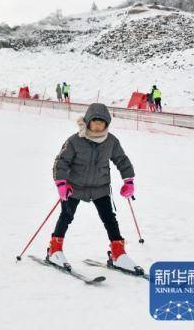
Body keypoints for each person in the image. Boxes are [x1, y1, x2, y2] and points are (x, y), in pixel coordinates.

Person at [49, 103, 143, 275]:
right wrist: (61, 183)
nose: (98, 126)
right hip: (75, 187)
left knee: (109, 219)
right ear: (88, 122)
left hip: (100, 187)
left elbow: (122, 160)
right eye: (95, 122)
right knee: (66, 216)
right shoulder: (75, 140)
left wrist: (128, 181)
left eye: (102, 123)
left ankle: (118, 253)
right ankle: (54, 250)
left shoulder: (111, 141)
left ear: (107, 124)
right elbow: (61, 162)